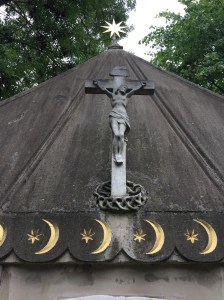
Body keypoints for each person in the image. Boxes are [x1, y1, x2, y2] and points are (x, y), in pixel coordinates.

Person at [93, 80, 146, 165]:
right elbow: (103, 89)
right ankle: (116, 154)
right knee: (116, 134)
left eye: (126, 88)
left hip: (123, 117)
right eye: (123, 87)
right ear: (119, 88)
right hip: (114, 115)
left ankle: (119, 155)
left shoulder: (126, 96)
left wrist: (141, 85)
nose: (125, 89)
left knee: (121, 135)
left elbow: (134, 90)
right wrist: (97, 84)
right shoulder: (113, 95)